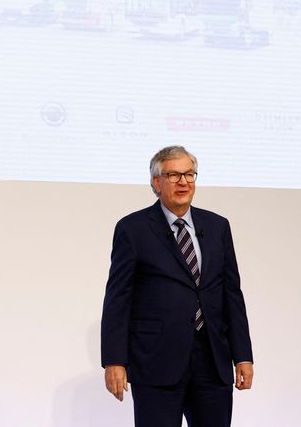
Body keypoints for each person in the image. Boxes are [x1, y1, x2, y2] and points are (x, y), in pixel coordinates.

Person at [100, 145, 253, 427]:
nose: (183, 182)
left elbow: (231, 294)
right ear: (156, 183)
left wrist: (242, 355)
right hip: (156, 361)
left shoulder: (218, 226)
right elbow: (118, 299)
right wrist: (114, 360)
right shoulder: (133, 229)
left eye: (189, 174)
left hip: (212, 361)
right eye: (173, 175)